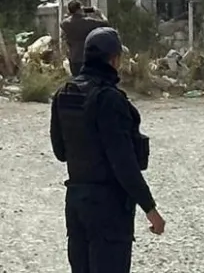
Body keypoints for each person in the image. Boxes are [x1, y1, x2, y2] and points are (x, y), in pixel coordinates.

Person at [50, 26, 166, 273]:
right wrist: (150, 209)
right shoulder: (109, 99)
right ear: (114, 60)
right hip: (109, 208)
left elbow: (60, 152)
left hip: (77, 203)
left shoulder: (64, 94)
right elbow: (124, 163)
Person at [61, 0, 106, 76]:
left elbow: (66, 20)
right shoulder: (88, 22)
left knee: (78, 81)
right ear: (79, 9)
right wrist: (100, 14)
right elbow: (105, 23)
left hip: (74, 58)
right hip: (87, 58)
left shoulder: (65, 23)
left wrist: (72, 13)